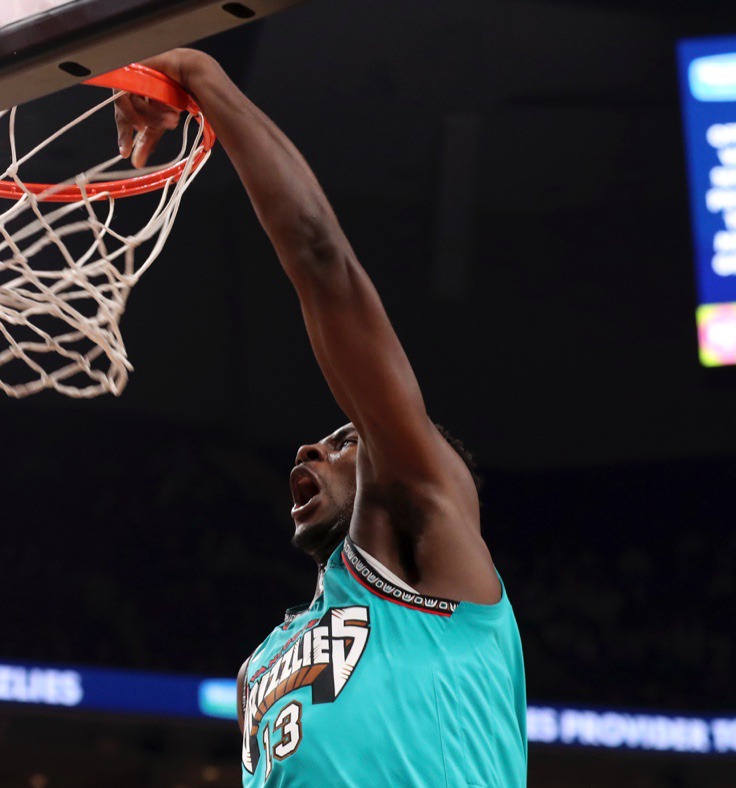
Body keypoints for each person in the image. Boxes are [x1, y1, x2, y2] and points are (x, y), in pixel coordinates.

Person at [116, 50, 527, 786]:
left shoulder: (426, 531)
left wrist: (202, 80)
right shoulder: (262, 666)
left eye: (344, 440)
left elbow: (320, 257)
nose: (310, 445)